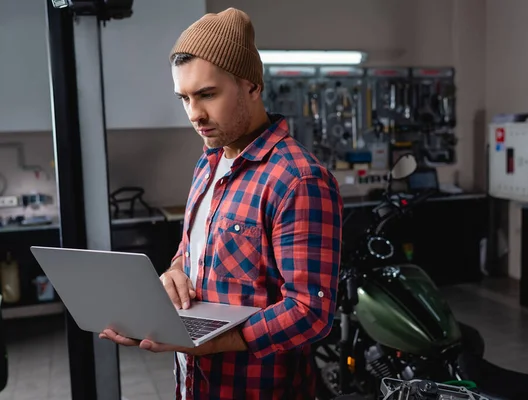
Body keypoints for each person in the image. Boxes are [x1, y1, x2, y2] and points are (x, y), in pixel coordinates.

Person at [99, 7, 344, 400]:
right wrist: (173, 275)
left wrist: (215, 343)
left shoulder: (298, 179)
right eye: (184, 98)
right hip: (193, 385)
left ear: (251, 86)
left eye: (207, 94)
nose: (194, 113)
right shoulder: (208, 163)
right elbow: (192, 253)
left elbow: (310, 313)